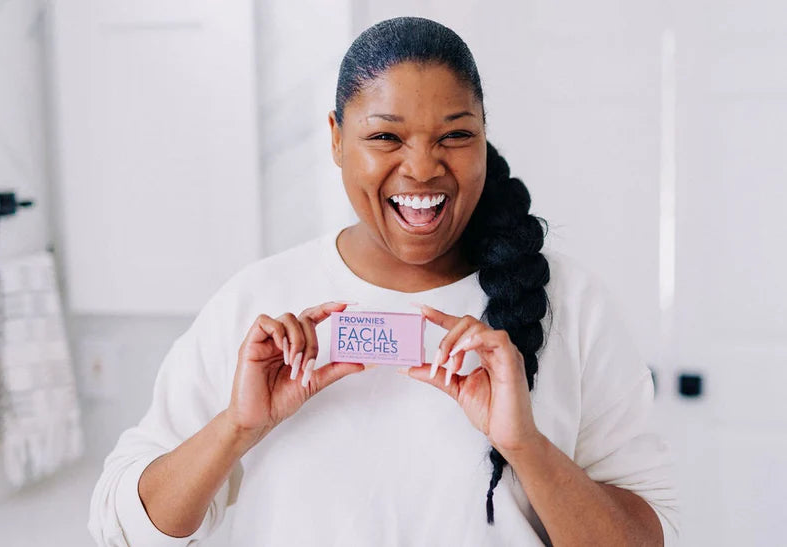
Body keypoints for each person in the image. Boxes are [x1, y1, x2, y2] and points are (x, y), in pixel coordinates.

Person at [88, 16, 679, 546]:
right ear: (336, 138)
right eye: (385, 136)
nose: (422, 167)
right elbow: (123, 528)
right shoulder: (256, 303)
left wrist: (526, 446)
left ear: (483, 135)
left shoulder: (572, 307)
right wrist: (238, 428)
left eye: (455, 135)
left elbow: (650, 537)